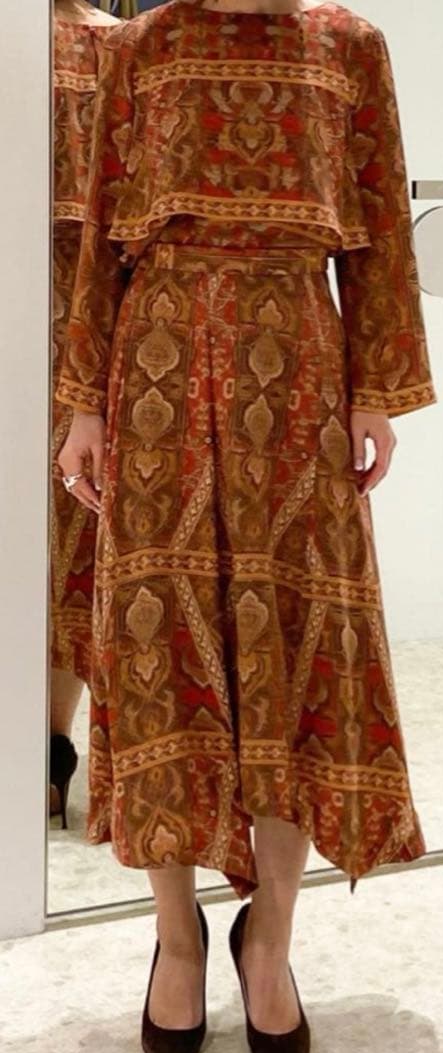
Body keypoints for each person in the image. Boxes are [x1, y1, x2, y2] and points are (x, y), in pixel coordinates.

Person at [56, 0, 437, 1053]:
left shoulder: (349, 44)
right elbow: (100, 227)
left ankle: (268, 941)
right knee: (159, 649)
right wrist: (82, 403)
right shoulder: (143, 45)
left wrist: (375, 389)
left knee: (300, 647)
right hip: (158, 361)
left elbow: (378, 218)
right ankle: (176, 941)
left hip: (300, 359)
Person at [51, 0, 119, 824]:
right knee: (71, 542)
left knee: (70, 535)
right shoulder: (119, 45)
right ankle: (49, 751)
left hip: (79, 323)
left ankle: (46, 751)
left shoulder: (119, 45)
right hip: (89, 318)